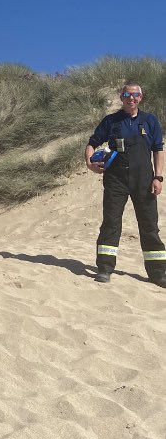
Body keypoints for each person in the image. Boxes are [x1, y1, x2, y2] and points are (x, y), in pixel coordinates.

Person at [86, 82, 165, 287]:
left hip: (144, 181)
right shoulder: (111, 121)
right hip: (115, 180)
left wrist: (158, 177)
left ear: (141, 97)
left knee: (149, 226)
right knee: (111, 223)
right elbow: (92, 142)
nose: (131, 98)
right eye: (127, 95)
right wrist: (89, 163)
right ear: (121, 97)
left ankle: (158, 273)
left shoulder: (150, 120)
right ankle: (104, 268)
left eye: (136, 95)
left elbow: (158, 149)